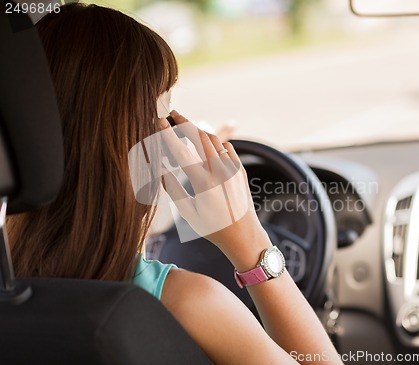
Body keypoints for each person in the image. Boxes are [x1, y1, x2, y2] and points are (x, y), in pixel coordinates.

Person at [7, 3, 342, 365]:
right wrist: (248, 238)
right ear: (135, 144)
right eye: (165, 120)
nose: (175, 145)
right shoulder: (186, 303)